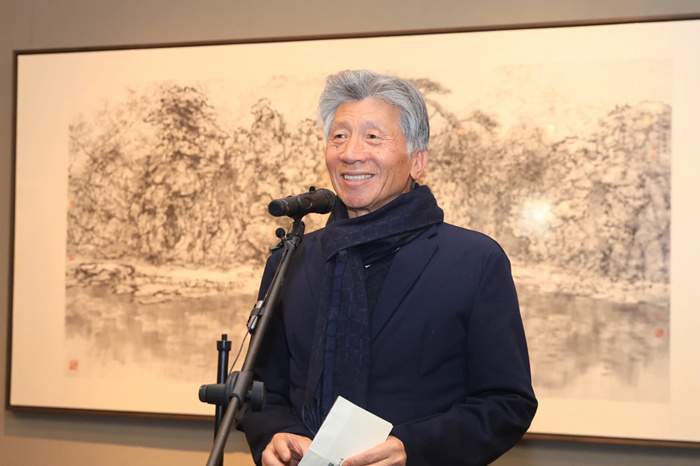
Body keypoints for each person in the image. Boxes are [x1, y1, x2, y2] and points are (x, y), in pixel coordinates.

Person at [237, 70, 537, 466]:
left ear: (417, 161)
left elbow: (507, 403)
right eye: (339, 136)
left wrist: (413, 447)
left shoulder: (474, 260)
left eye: (373, 137)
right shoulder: (292, 259)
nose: (350, 153)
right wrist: (275, 434)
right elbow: (260, 389)